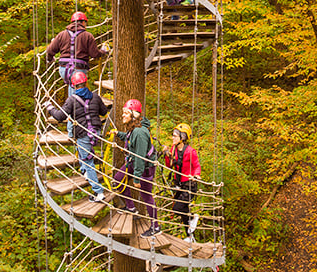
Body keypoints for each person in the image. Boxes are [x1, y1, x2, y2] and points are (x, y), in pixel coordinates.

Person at [46, 71, 109, 202]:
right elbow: (103, 112)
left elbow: (59, 117)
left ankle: (99, 192)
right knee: (85, 153)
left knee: (88, 161)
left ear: (74, 86)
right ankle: (85, 171)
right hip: (95, 132)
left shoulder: (72, 100)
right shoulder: (95, 96)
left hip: (83, 133)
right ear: (85, 83)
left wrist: (49, 107)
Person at [112, 99, 160, 237]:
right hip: (135, 164)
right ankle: (131, 207)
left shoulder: (139, 132)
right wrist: (118, 134)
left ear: (133, 115)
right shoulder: (134, 128)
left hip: (144, 168)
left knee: (146, 196)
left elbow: (140, 156)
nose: (122, 116)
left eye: (125, 113)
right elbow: (129, 138)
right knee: (117, 180)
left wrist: (137, 178)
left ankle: (155, 226)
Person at [46, 11, 109, 90]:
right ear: (83, 23)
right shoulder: (87, 35)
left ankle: (72, 101)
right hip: (79, 68)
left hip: (63, 69)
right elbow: (94, 54)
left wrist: (50, 59)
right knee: (76, 93)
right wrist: (103, 51)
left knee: (72, 87)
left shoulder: (61, 34)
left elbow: (49, 51)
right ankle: (73, 102)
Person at [163, 123, 201, 242]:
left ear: (183, 137)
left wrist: (196, 175)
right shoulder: (173, 149)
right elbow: (169, 165)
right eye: (173, 135)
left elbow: (196, 166)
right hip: (179, 184)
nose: (173, 138)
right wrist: (166, 155)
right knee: (179, 208)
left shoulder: (191, 151)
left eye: (175, 136)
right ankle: (190, 236)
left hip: (189, 185)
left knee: (179, 208)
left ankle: (193, 217)